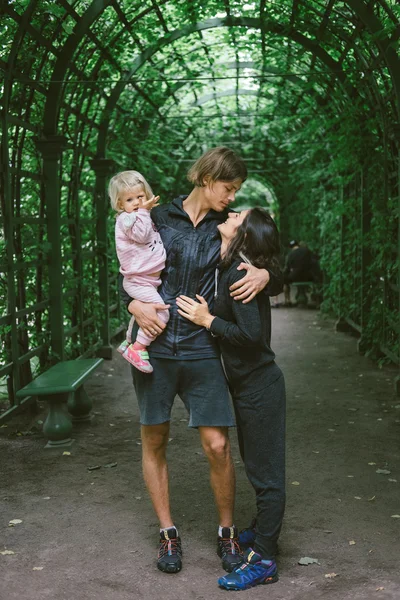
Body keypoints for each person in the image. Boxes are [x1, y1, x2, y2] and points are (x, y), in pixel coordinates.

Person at [120, 147, 283, 574]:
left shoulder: (229, 228)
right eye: (229, 188)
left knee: (217, 444)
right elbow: (128, 264)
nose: (232, 198)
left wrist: (268, 275)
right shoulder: (156, 216)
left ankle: (226, 533)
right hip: (153, 346)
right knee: (154, 441)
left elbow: (267, 258)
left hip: (202, 347)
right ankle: (168, 534)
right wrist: (131, 304)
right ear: (207, 178)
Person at [176, 207, 286, 590]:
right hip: (247, 386)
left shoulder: (240, 272)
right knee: (258, 467)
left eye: (239, 214)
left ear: (245, 234)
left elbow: (252, 336)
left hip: (260, 385)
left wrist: (209, 322)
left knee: (266, 475)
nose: (231, 211)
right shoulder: (230, 265)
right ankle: (263, 533)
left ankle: (266, 560)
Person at [109, 170, 169, 373]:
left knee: (141, 314)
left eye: (140, 197)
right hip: (138, 281)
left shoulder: (138, 216)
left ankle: (128, 341)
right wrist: (143, 211)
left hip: (146, 280)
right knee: (160, 313)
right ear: (120, 204)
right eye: (129, 199)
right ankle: (138, 347)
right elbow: (143, 237)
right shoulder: (128, 219)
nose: (136, 202)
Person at [283, 239, 314, 305]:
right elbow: (313, 263)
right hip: (308, 277)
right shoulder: (307, 251)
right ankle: (316, 300)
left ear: (290, 248)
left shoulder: (290, 255)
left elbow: (287, 269)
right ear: (298, 245)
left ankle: (288, 300)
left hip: (295, 277)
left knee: (284, 280)